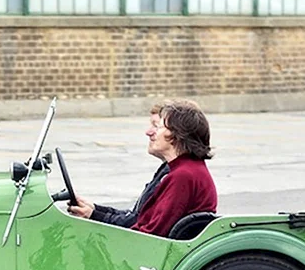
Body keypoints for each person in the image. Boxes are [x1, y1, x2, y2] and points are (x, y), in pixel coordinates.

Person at [66, 100, 217, 237]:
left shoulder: (183, 175)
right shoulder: (185, 170)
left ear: (176, 134)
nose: (149, 132)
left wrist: (100, 227)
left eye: (159, 127)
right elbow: (142, 219)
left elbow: (150, 234)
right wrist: (95, 212)